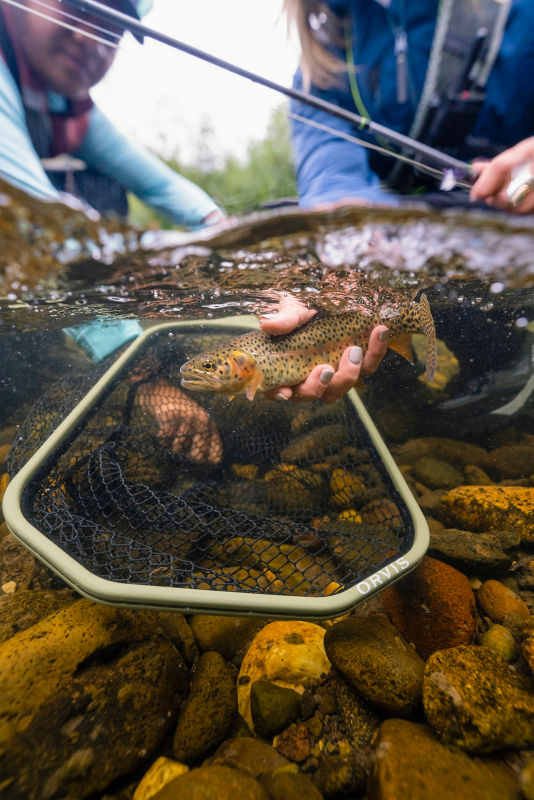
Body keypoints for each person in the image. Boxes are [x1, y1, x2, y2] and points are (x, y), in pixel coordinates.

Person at [284, 0, 534, 214]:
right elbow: (331, 177)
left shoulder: (522, 15)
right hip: (405, 239)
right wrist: (342, 212)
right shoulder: (317, 76)